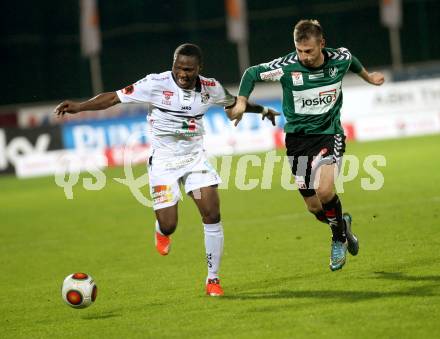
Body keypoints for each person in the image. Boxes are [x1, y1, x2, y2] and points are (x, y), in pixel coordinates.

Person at [54, 43, 279, 295]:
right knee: (170, 224)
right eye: (179, 68)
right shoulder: (155, 83)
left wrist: (263, 109)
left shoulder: (210, 88)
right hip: (163, 163)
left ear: (199, 69)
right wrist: (79, 106)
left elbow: (235, 104)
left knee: (212, 213)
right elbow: (113, 97)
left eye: (189, 70)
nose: (183, 74)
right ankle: (162, 231)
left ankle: (213, 279)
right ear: (173, 65)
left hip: (195, 160)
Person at [229, 20, 384, 271]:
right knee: (314, 208)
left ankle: (338, 239)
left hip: (328, 133)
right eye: (300, 50)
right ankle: (342, 225)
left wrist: (368, 77)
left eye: (309, 51)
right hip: (297, 140)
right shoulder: (286, 66)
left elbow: (352, 60)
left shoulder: (339, 59)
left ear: (322, 44)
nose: (304, 56)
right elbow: (251, 73)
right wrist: (241, 101)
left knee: (325, 191)